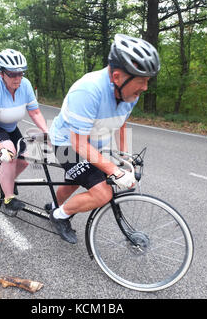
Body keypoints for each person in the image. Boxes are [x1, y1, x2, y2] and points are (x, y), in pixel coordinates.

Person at [46, 34, 160, 244]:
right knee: (102, 193)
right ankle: (58, 216)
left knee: (75, 181)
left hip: (91, 143)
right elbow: (78, 143)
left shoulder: (129, 92)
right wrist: (114, 171)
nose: (145, 87)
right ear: (117, 77)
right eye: (142, 81)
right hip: (67, 143)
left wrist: (123, 156)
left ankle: (53, 205)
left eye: (148, 81)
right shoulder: (88, 90)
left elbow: (121, 123)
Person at [0, 49, 48, 213]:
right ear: (2, 73)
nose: (18, 78)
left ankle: (6, 180)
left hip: (10, 126)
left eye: (21, 73)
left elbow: (34, 112)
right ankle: (8, 199)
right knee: (10, 154)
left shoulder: (25, 85)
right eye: (12, 74)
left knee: (26, 158)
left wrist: (47, 132)